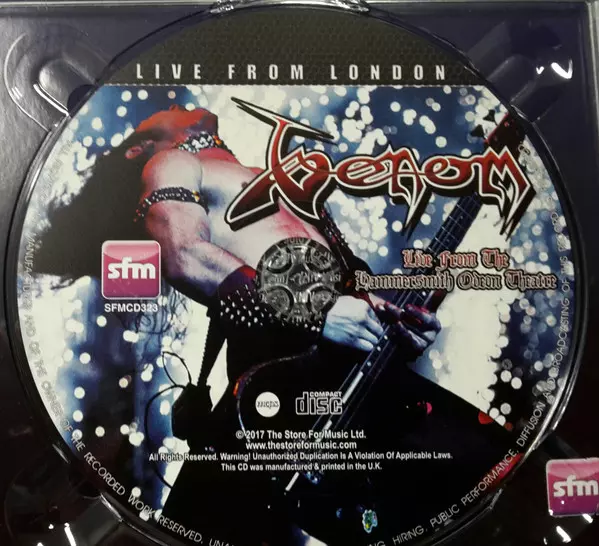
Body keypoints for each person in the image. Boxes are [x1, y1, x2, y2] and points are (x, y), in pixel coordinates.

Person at [34, 103, 511, 546]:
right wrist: (317, 312)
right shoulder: (173, 162)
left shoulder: (282, 184)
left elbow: (347, 292)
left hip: (345, 397)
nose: (177, 104)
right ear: (139, 146)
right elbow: (184, 254)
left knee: (498, 473)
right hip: (276, 398)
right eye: (165, 110)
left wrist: (397, 324)